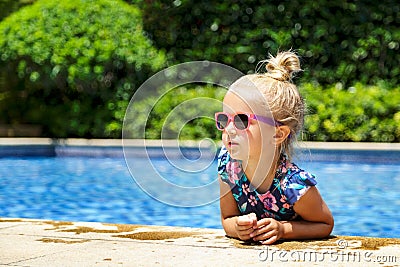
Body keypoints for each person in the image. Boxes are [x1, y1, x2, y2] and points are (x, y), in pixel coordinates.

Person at [216, 51, 334, 245]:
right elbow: (227, 219)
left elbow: (324, 223)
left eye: (241, 120)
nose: (228, 129)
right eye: (223, 119)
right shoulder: (228, 167)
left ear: (278, 134)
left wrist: (283, 229)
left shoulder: (293, 185)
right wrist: (237, 228)